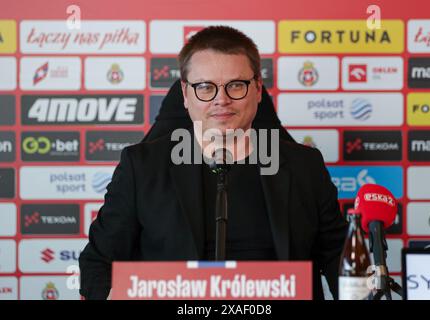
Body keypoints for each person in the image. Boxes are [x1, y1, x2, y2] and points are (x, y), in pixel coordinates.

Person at [79, 25, 347, 300]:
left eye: (235, 85)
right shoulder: (142, 167)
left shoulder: (305, 166)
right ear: (185, 94)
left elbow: (341, 260)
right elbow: (97, 264)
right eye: (205, 87)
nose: (222, 100)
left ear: (257, 90)